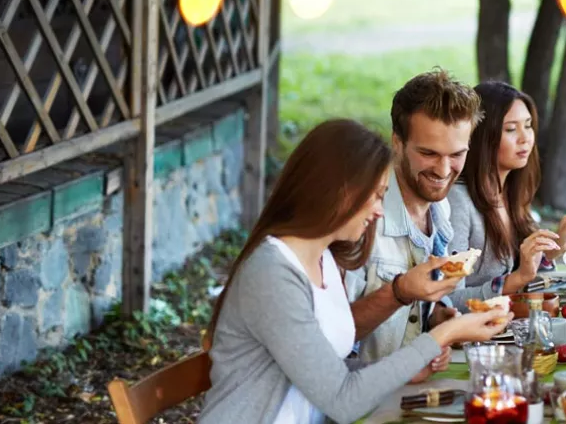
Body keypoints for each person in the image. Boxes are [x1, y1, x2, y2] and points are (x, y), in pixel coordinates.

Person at [200, 119, 510, 424]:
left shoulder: (323, 260)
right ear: (338, 190)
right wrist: (447, 334)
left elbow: (325, 370)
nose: (378, 210)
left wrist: (405, 366)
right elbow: (342, 400)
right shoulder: (272, 272)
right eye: (376, 195)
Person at [344, 68, 482, 382]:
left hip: (410, 393)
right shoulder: (360, 220)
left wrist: (435, 318)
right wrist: (399, 293)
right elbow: (329, 336)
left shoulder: (441, 209)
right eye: (428, 153)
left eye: (457, 154)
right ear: (397, 142)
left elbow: (418, 310)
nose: (444, 170)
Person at [445, 81, 566, 308]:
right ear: (483, 136)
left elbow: (522, 279)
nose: (525, 138)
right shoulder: (458, 203)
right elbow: (448, 302)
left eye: (528, 125)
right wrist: (518, 279)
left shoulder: (513, 194)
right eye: (511, 129)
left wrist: (553, 252)